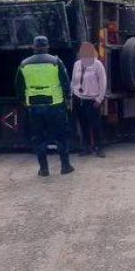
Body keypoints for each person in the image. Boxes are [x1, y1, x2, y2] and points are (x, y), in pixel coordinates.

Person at [15, 35, 74, 176]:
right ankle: (65, 166)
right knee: (60, 136)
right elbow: (65, 82)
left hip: (34, 106)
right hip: (55, 105)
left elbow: (19, 85)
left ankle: (43, 169)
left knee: (38, 138)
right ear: (47, 47)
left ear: (34, 47)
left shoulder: (24, 64)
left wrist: (22, 100)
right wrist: (68, 98)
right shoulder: (56, 62)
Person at [71, 42, 107, 157]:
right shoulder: (77, 64)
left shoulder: (97, 65)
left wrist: (99, 99)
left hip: (92, 100)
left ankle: (99, 148)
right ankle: (87, 148)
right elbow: (73, 81)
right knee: (83, 125)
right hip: (79, 99)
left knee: (96, 125)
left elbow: (103, 83)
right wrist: (73, 95)